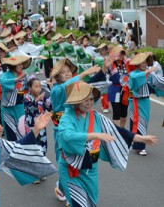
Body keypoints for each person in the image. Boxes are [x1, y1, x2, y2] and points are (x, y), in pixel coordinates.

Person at [58, 81, 158, 207]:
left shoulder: (96, 116)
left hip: (90, 169)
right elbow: (67, 135)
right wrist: (94, 135)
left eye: (91, 99)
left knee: (91, 203)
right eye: (85, 100)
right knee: (79, 204)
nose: (89, 103)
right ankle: (61, 187)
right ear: (76, 101)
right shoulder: (67, 117)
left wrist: (142, 139)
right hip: (72, 168)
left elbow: (119, 132)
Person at [49, 58, 101, 202]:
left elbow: (91, 91)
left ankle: (73, 190)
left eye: (68, 71)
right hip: (62, 128)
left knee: (79, 155)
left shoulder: (76, 86)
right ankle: (64, 189)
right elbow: (64, 87)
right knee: (64, 159)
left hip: (77, 124)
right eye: (62, 73)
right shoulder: (56, 89)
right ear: (57, 76)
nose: (66, 74)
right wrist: (85, 73)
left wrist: (102, 71)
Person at [128, 53, 164, 156]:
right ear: (138, 64)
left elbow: (158, 82)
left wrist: (150, 73)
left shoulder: (149, 73)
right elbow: (135, 79)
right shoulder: (133, 74)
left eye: (145, 62)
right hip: (135, 101)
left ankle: (138, 143)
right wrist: (147, 72)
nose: (144, 64)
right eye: (142, 63)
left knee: (143, 123)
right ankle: (139, 146)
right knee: (134, 122)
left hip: (145, 102)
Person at [0, 56, 31, 141]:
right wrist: (15, 80)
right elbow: (2, 82)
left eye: (22, 65)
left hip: (20, 107)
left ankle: (21, 151)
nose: (22, 66)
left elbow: (30, 86)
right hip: (8, 108)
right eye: (19, 65)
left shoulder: (24, 75)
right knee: (10, 132)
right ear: (13, 65)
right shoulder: (5, 75)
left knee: (22, 131)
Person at [24, 77, 51, 158]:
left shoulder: (42, 97)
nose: (38, 89)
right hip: (31, 126)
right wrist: (35, 101)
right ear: (30, 88)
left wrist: (52, 92)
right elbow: (29, 108)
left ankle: (42, 159)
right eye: (36, 87)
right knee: (32, 145)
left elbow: (49, 107)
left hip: (42, 126)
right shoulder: (27, 98)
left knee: (43, 145)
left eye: (40, 87)